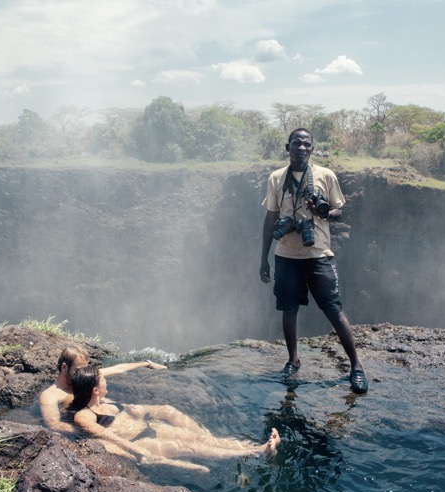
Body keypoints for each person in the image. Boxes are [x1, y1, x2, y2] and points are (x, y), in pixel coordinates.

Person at [259, 128, 368, 393]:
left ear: (312, 149)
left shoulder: (325, 175)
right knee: (288, 309)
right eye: (296, 143)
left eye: (306, 144)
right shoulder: (276, 178)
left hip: (319, 255)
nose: (301, 148)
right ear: (288, 147)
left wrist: (323, 212)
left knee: (333, 308)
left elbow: (340, 211)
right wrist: (263, 258)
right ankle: (293, 360)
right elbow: (271, 218)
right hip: (286, 255)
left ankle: (356, 367)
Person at [70, 366, 281, 472]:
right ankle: (257, 452)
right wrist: (140, 453)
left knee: (203, 439)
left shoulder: (108, 400)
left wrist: (141, 411)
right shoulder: (84, 416)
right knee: (191, 448)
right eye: (104, 380)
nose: (108, 381)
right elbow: (109, 438)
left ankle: (257, 447)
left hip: (152, 428)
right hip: (141, 442)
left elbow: (134, 413)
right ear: (95, 390)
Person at [39, 345, 168, 433]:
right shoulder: (50, 395)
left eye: (85, 368)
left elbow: (118, 368)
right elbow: (53, 424)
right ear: (64, 367)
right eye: (78, 370)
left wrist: (147, 364)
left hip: (116, 413)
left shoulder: (84, 376)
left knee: (167, 413)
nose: (83, 373)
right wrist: (93, 429)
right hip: (101, 425)